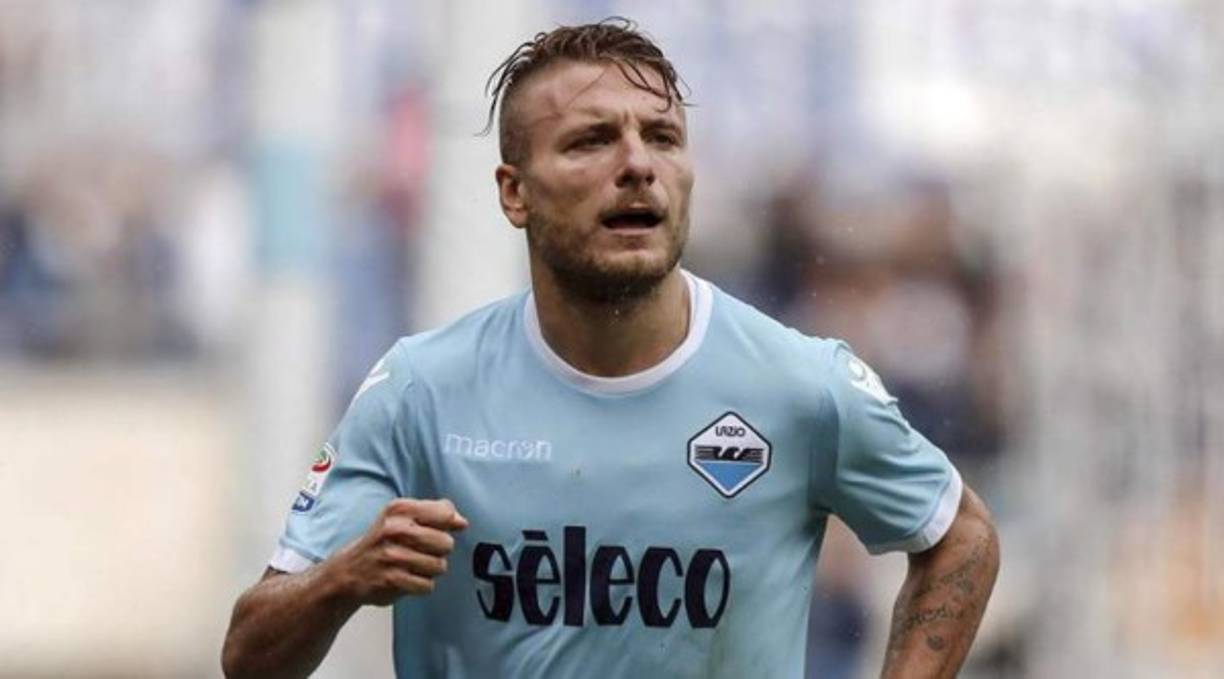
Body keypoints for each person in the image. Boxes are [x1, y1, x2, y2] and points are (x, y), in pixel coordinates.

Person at [221, 18, 1000, 679]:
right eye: (592, 140)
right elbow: (248, 653)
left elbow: (959, 536)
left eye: (662, 136)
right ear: (513, 191)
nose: (638, 165)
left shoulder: (800, 385)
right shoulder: (420, 390)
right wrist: (341, 578)